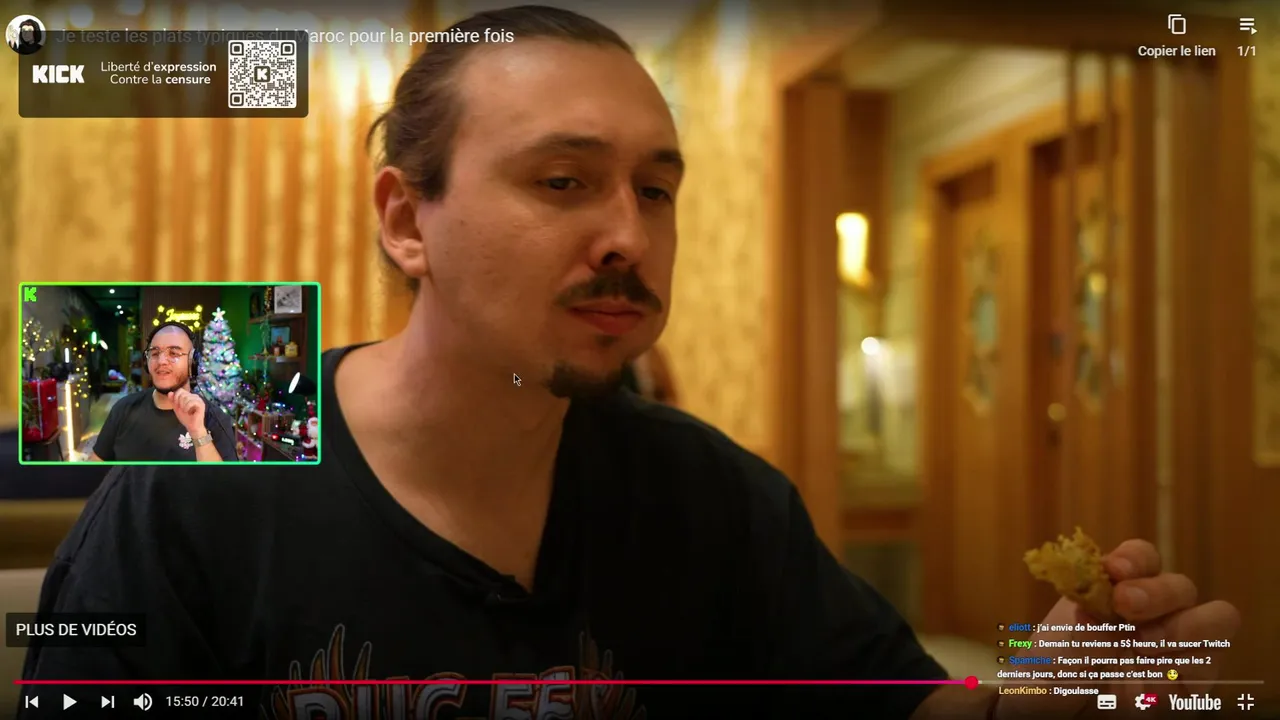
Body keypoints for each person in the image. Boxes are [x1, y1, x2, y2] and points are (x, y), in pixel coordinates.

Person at [22, 6, 1239, 719]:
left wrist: (1043, 683)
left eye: (655, 191)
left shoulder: (712, 499)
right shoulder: (203, 486)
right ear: (405, 221)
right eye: (563, 182)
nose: (628, 236)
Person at [87, 321, 236, 462]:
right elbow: (94, 467)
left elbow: (224, 479)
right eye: (155, 353)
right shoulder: (123, 409)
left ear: (192, 362)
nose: (161, 361)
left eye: (174, 353)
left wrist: (198, 432)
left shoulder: (214, 419)